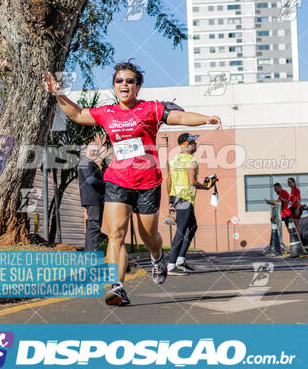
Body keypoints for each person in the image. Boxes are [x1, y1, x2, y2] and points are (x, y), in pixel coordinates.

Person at [43, 61, 222, 306]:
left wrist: (205, 119)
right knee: (116, 233)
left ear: (137, 87)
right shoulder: (107, 113)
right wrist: (58, 93)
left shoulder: (150, 109)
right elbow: (76, 114)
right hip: (117, 181)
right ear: (114, 86)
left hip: (147, 182)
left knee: (148, 236)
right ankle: (116, 287)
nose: (124, 84)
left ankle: (157, 256)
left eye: (130, 81)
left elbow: (178, 116)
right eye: (119, 81)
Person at [166, 133, 211, 275]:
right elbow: (192, 182)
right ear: (186, 144)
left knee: (192, 227)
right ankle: (171, 265)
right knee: (181, 230)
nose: (196, 144)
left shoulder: (174, 160)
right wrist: (206, 187)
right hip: (185, 198)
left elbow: (168, 180)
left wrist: (171, 200)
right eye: (193, 142)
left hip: (177, 198)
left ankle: (180, 260)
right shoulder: (191, 161)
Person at [78, 140, 105, 251]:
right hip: (93, 199)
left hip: (93, 199)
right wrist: (106, 185)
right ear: (86, 151)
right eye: (93, 151)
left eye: (97, 151)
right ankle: (92, 254)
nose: (95, 153)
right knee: (94, 228)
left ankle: (89, 253)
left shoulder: (88, 162)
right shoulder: (86, 162)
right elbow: (91, 180)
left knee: (92, 228)